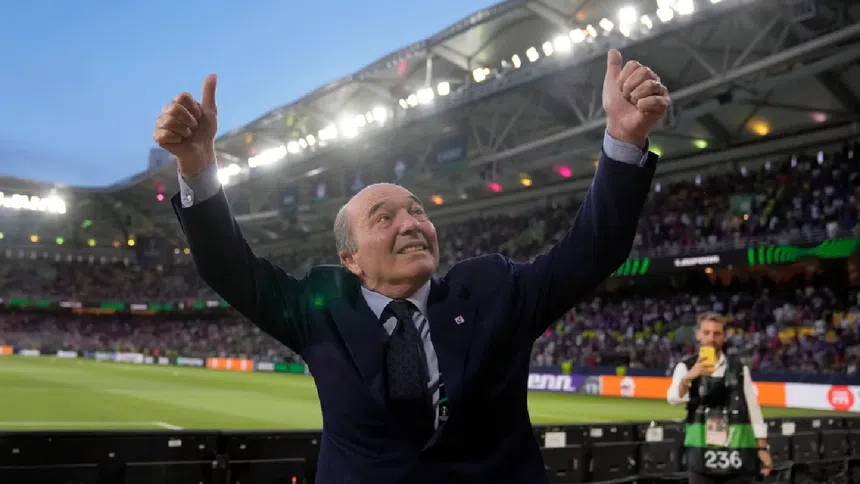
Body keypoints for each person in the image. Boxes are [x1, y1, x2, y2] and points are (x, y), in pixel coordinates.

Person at [154, 49, 670, 483]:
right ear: (350, 259)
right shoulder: (321, 308)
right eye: (384, 218)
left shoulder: (494, 290)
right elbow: (228, 268)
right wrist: (197, 167)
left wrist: (624, 140)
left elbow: (593, 250)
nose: (411, 224)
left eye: (418, 212)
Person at [667, 312, 773, 484]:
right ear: (698, 335)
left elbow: (753, 409)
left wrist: (762, 448)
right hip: (701, 453)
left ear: (724, 337)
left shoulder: (739, 369)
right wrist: (688, 378)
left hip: (737, 452)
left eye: (716, 333)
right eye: (706, 332)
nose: (711, 338)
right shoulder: (685, 367)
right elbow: (674, 398)